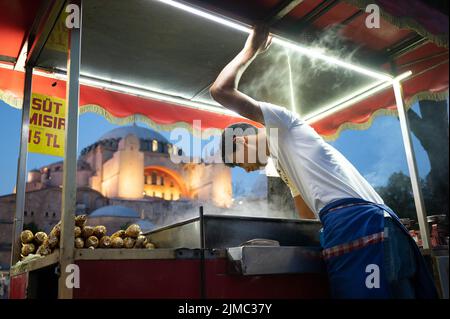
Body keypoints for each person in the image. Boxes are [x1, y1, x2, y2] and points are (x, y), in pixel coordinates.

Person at [210, 25, 438, 299]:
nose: (244, 170)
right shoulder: (283, 163)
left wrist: (251, 49)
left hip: (362, 226)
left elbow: (220, 90)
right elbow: (306, 217)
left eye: (237, 163)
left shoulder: (283, 124)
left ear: (240, 142)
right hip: (375, 227)